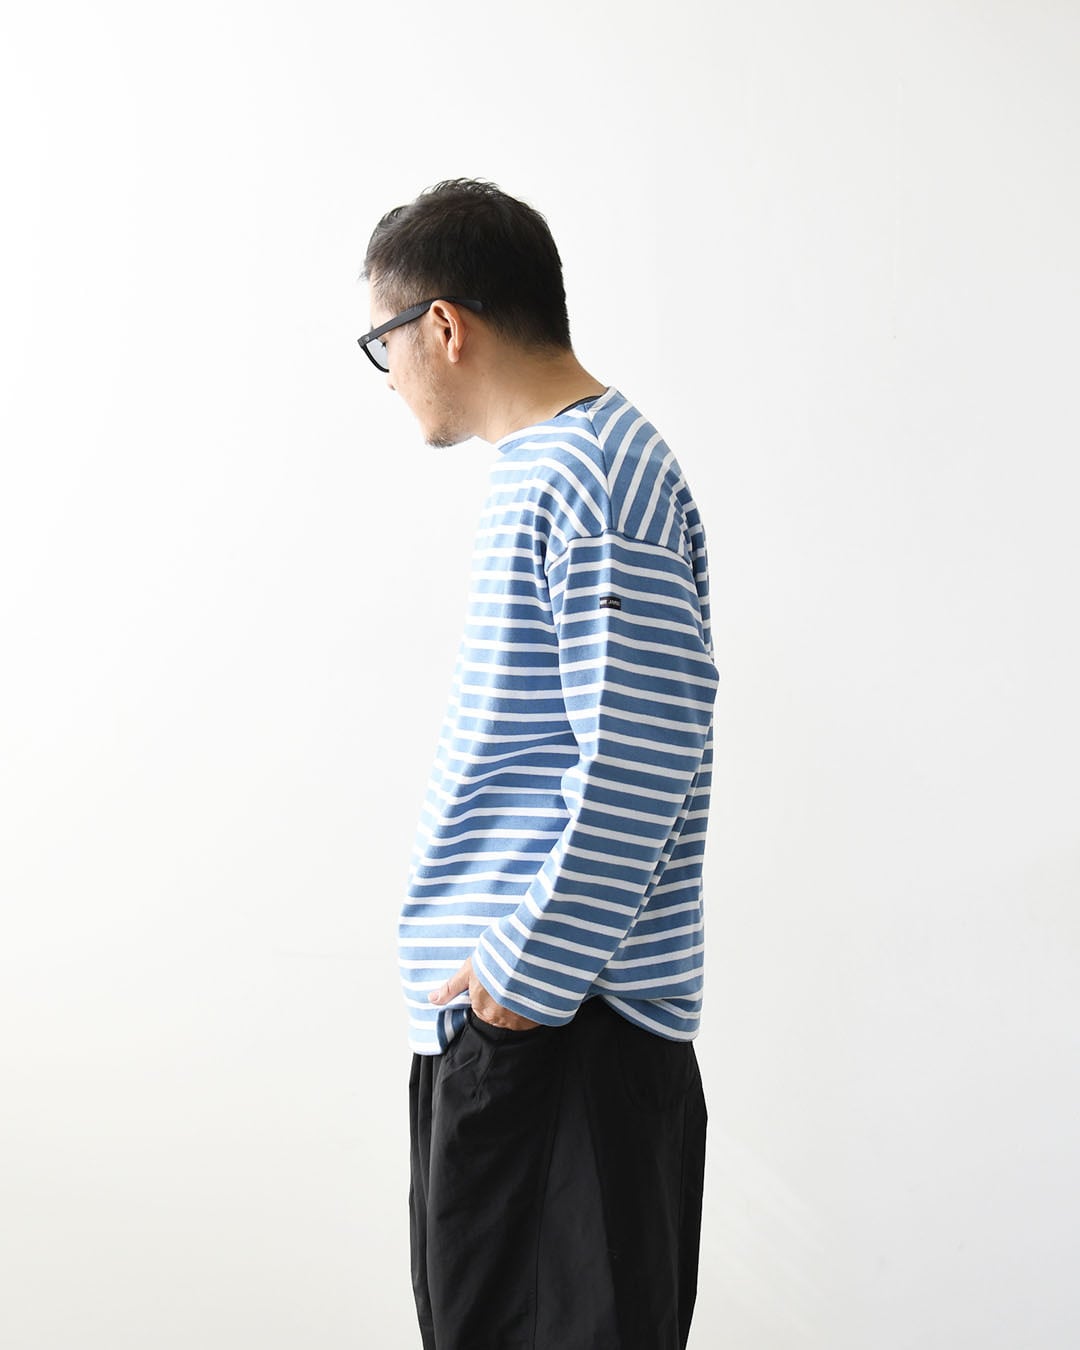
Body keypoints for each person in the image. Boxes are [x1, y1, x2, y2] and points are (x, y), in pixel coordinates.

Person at [358, 179, 719, 1350]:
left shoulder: (595, 473)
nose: (389, 374)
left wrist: (521, 977)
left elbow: (641, 758)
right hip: (516, 1029)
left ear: (443, 326)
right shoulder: (550, 466)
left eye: (382, 343)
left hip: (563, 1037)